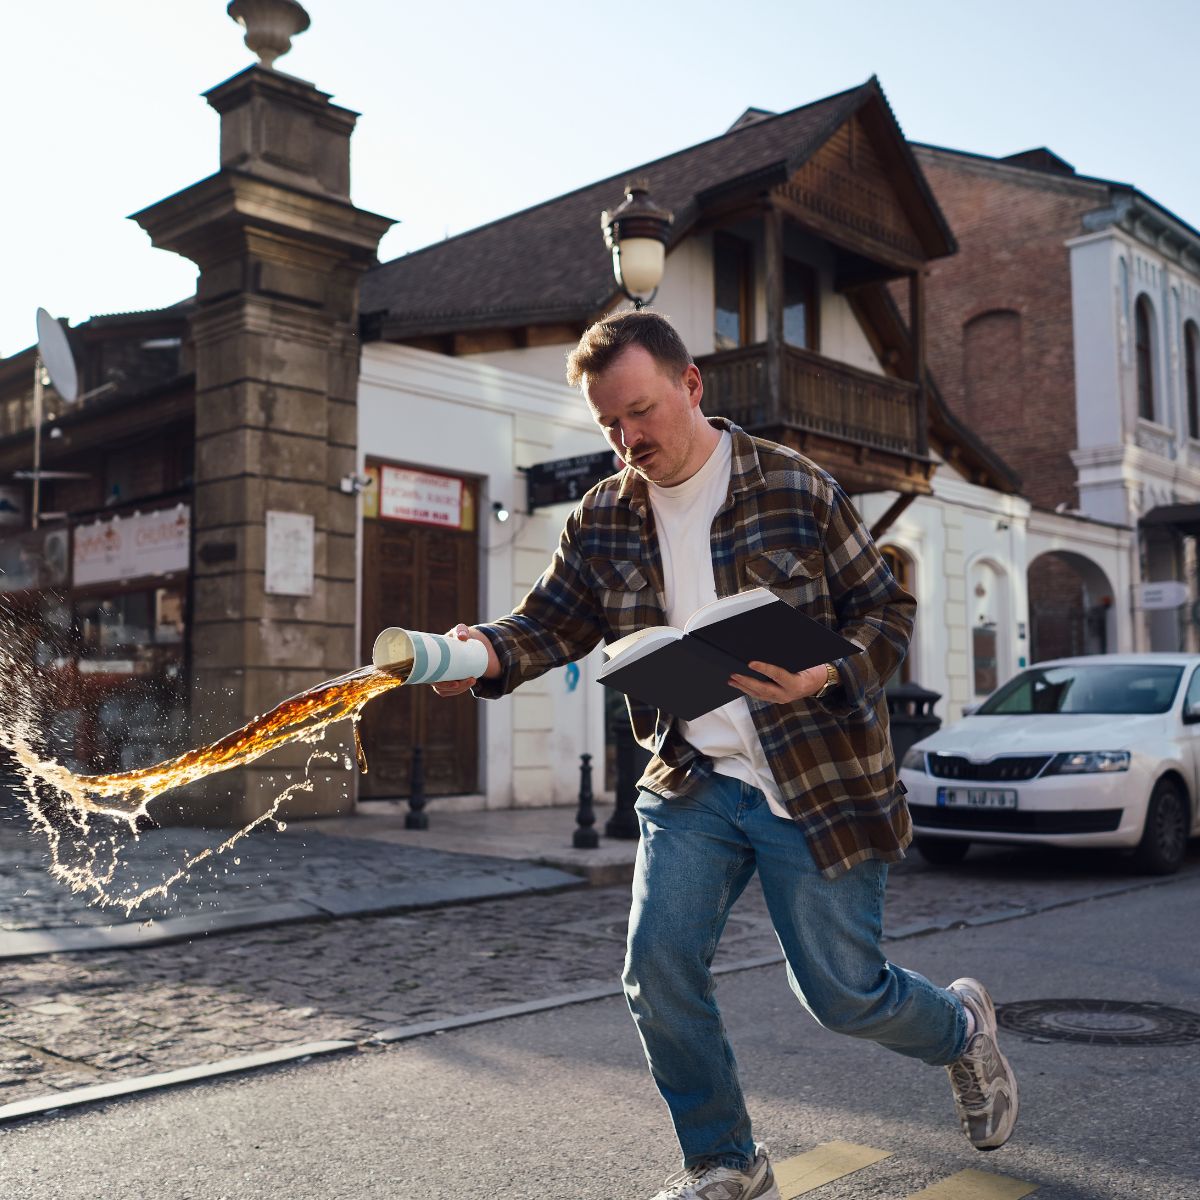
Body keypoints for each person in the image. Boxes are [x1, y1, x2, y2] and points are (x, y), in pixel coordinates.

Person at [433, 310, 1018, 1200]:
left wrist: (826, 672)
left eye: (640, 413)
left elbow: (886, 611)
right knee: (657, 974)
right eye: (608, 426)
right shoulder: (602, 516)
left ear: (691, 385)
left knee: (843, 996)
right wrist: (472, 656)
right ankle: (727, 1161)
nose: (628, 441)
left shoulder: (796, 486)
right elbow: (546, 625)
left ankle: (960, 1030)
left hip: (814, 780)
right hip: (692, 780)